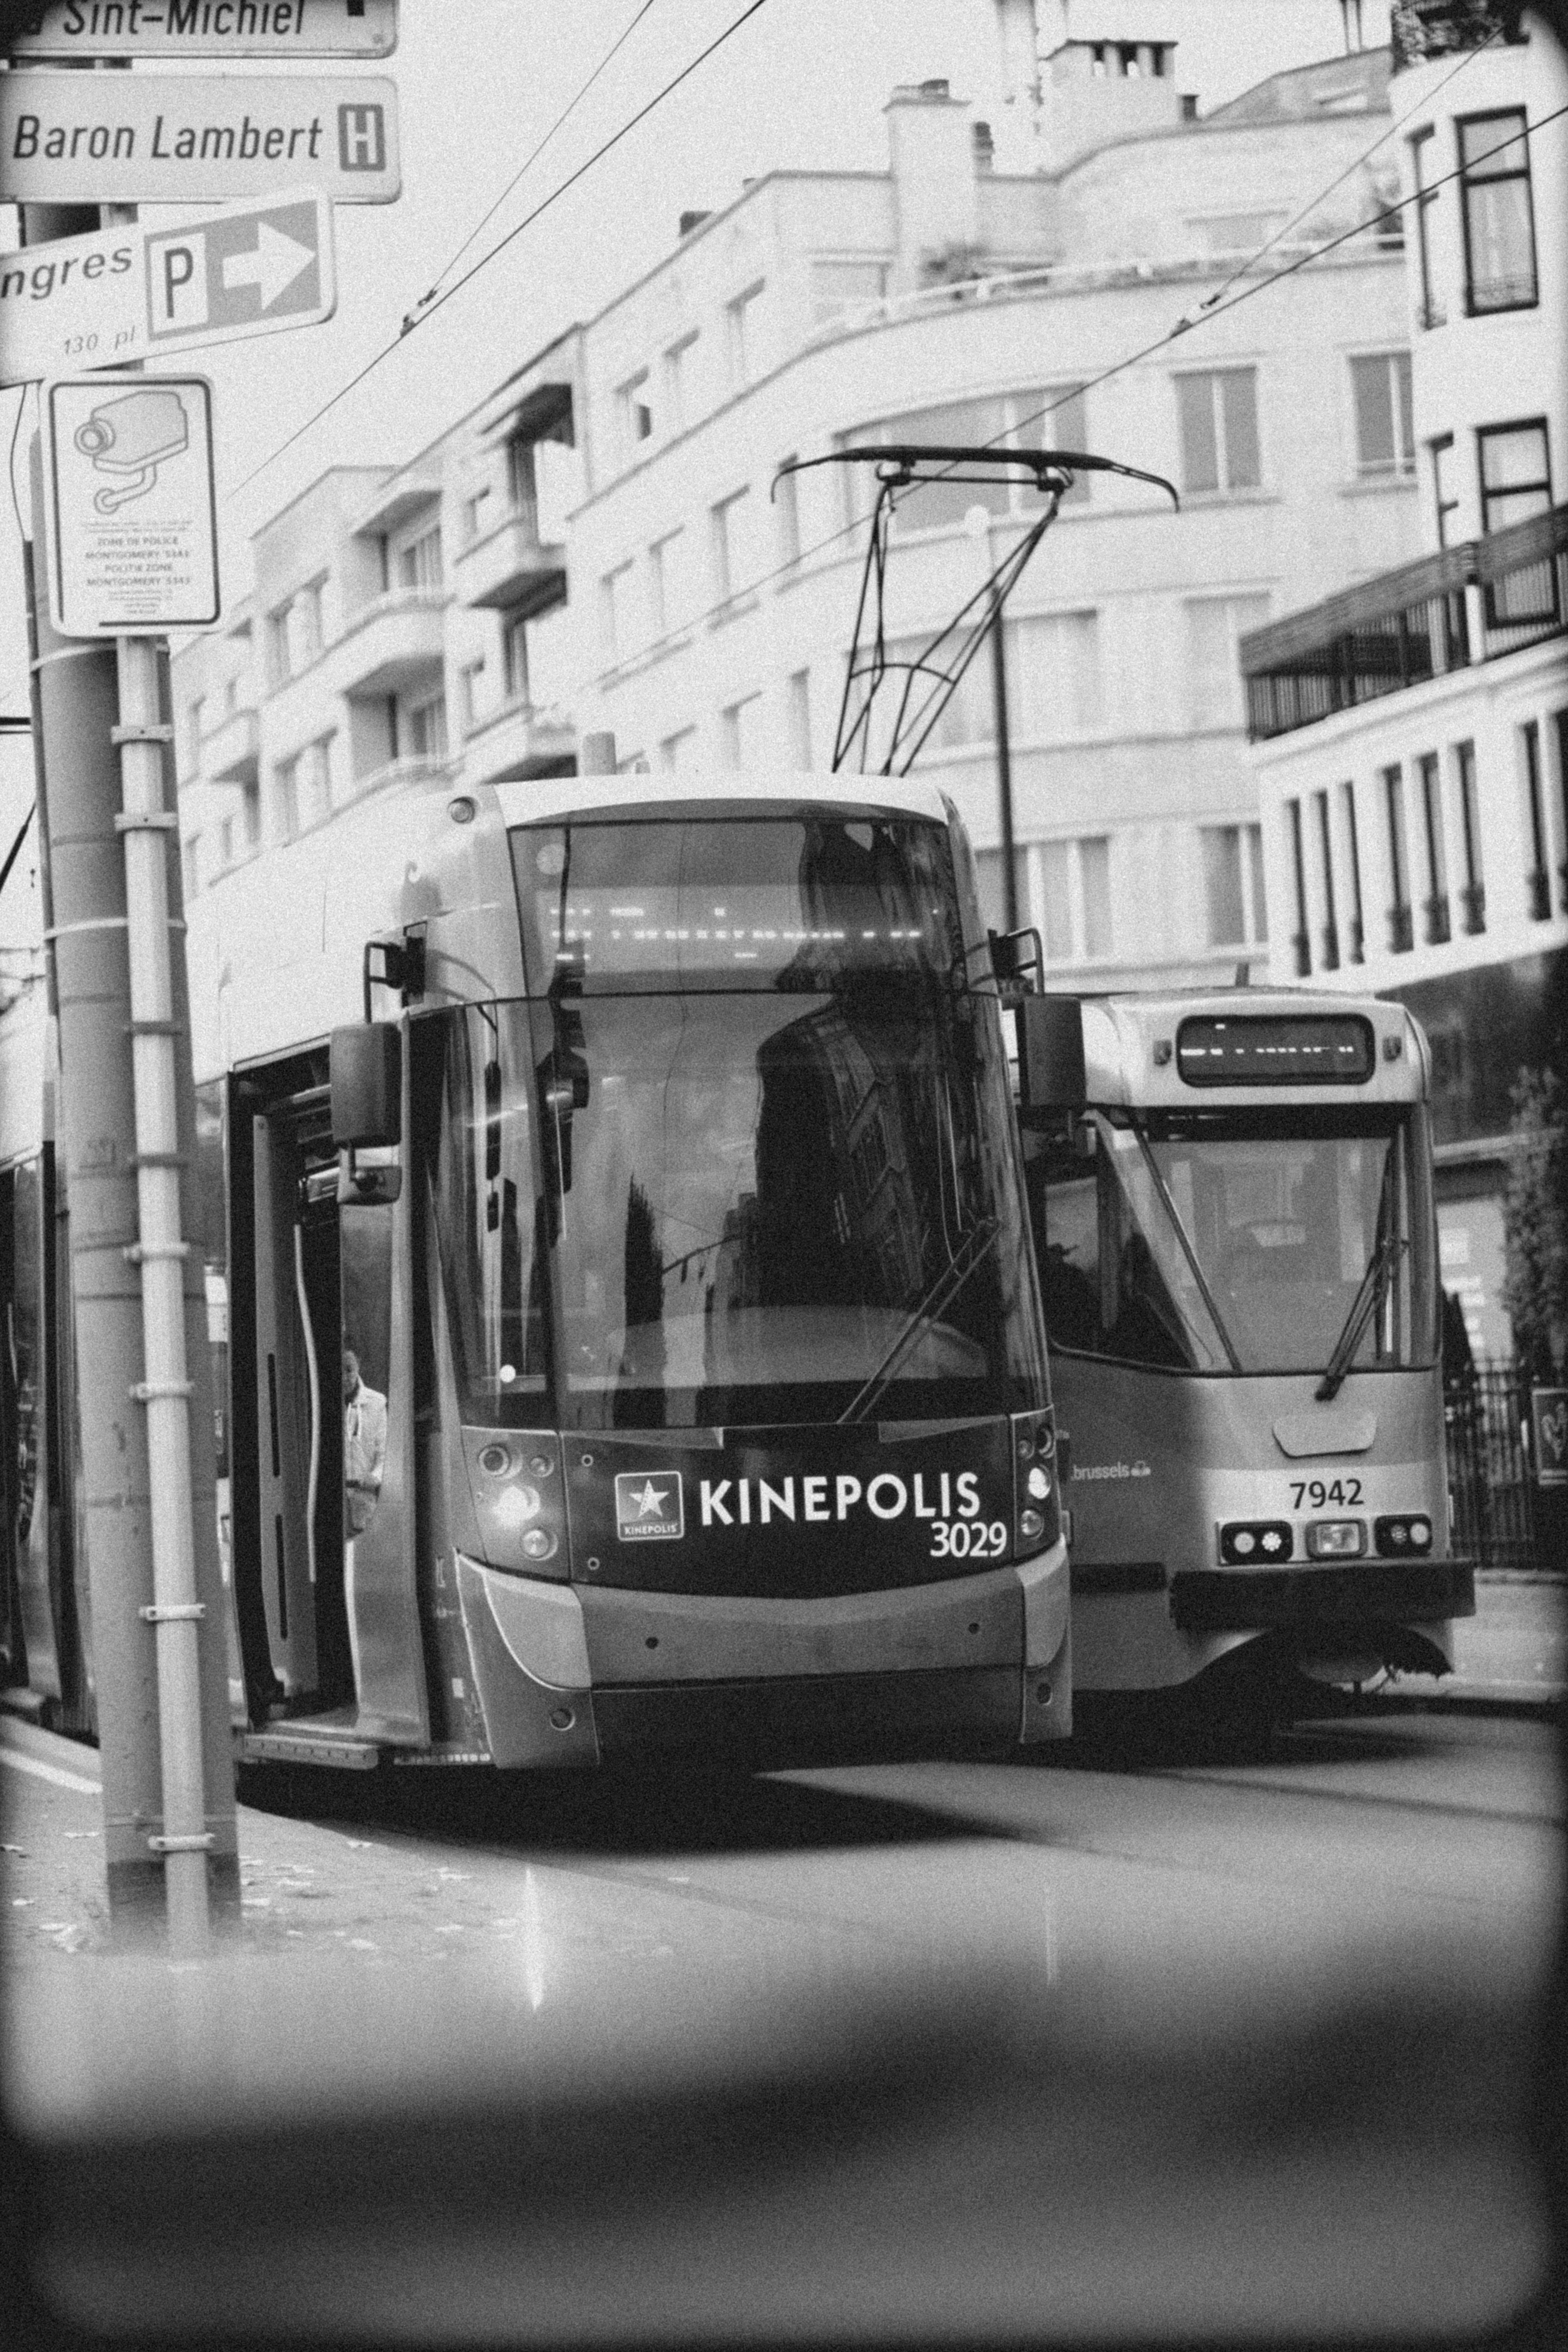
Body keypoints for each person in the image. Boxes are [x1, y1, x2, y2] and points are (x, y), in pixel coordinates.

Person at [343, 1347, 387, 1537]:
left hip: (364, 1497)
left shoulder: (377, 1403)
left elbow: (385, 1453)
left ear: (358, 1367)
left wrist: (375, 1478)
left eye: (349, 1370)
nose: (344, 1377)